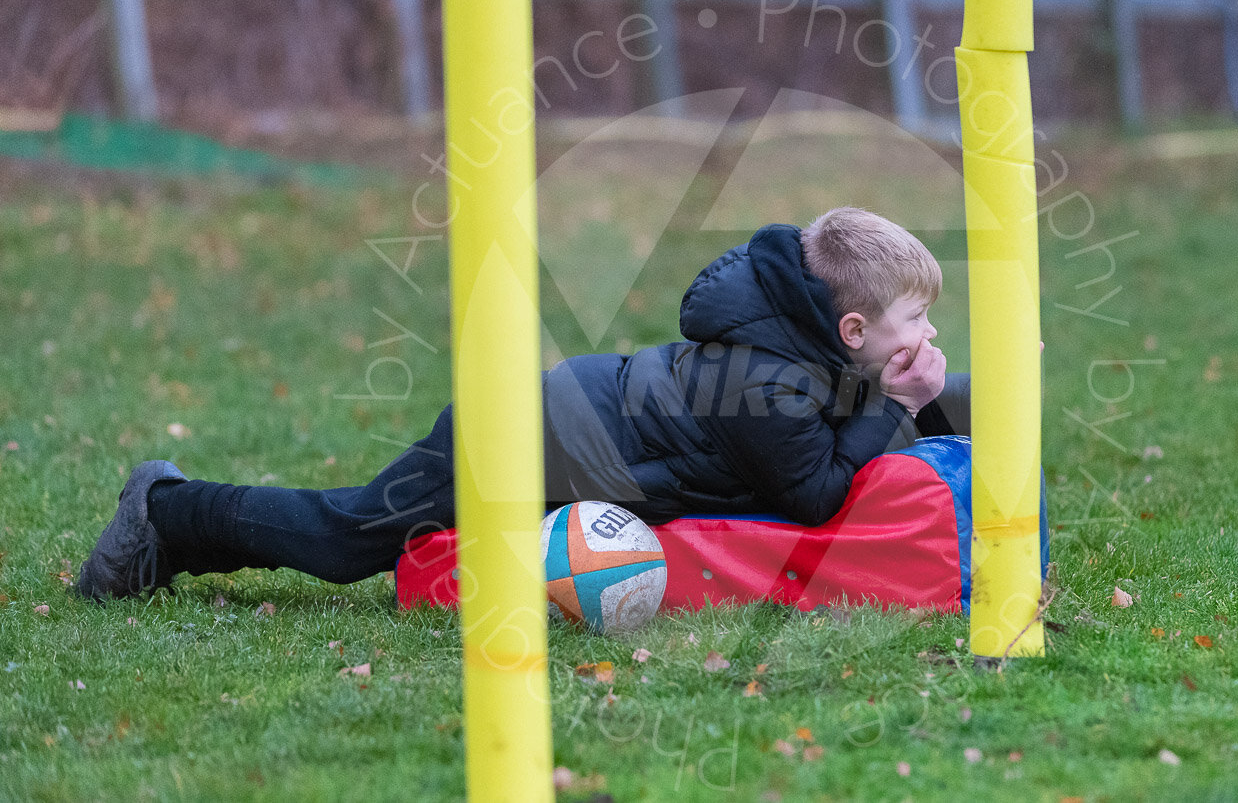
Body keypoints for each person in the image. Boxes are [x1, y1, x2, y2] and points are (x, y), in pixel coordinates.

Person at [75, 207, 973, 601]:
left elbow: (869, 432)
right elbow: (815, 495)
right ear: (852, 328)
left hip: (577, 444)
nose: (923, 335)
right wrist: (903, 402)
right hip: (523, 435)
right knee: (345, 540)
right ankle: (161, 511)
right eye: (914, 319)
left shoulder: (805, 336)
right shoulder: (764, 384)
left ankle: (171, 531)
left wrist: (957, 399)